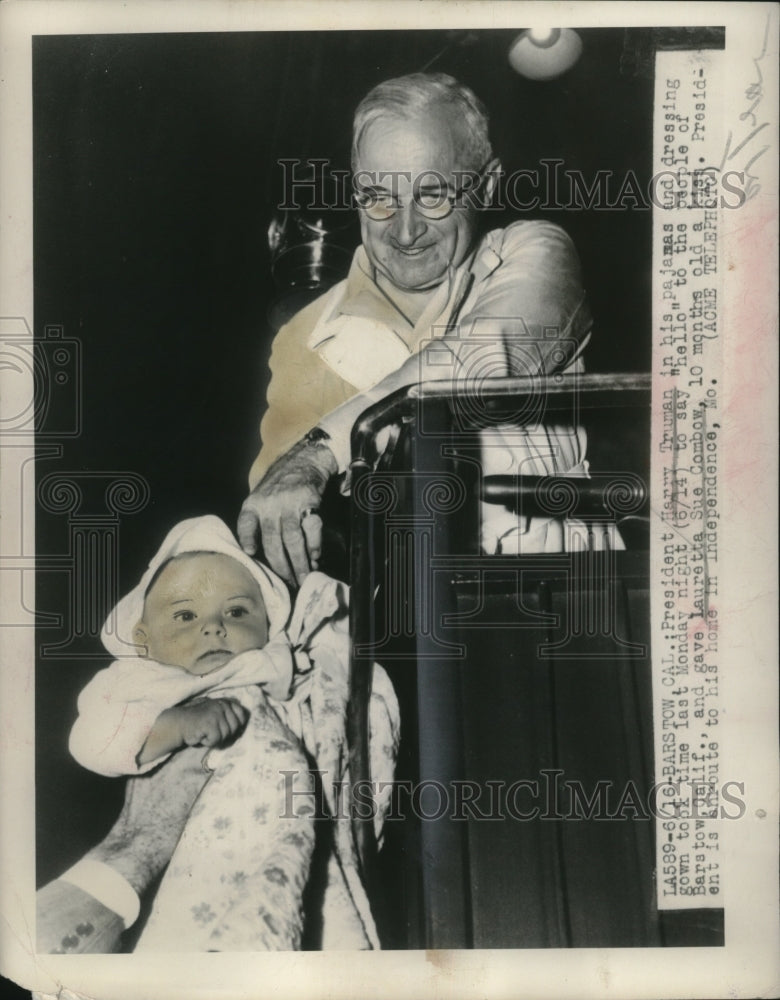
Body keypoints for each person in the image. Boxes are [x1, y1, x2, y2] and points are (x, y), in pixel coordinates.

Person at [238, 71, 601, 586]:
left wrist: (320, 451)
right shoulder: (304, 336)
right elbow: (276, 525)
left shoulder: (536, 253)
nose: (405, 230)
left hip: (563, 605)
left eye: (433, 195)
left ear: (489, 183)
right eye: (378, 197)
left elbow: (485, 358)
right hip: (387, 639)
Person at [38, 516, 399, 952]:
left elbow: (327, 664)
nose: (213, 626)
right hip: (202, 840)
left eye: (237, 611)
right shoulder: (139, 680)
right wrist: (176, 726)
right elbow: (91, 740)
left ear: (268, 626)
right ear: (143, 638)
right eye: (185, 615)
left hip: (288, 813)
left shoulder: (270, 660)